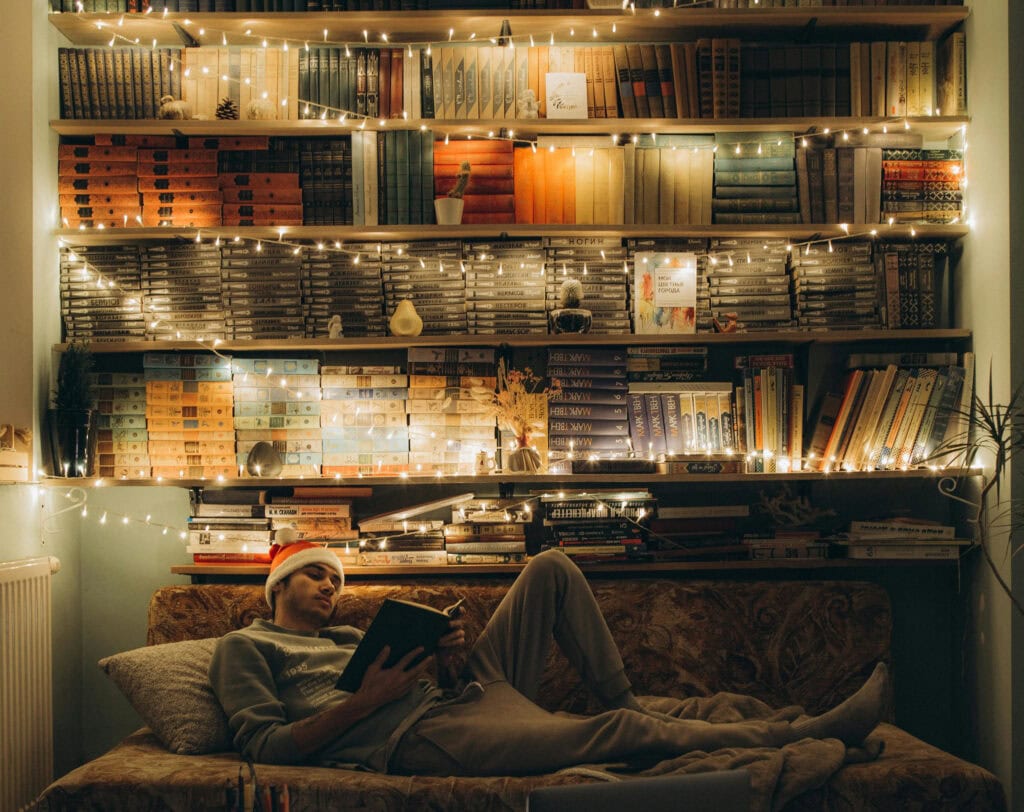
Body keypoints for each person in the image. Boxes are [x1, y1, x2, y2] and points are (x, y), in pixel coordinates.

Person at [209, 540, 888, 776]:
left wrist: (448, 657)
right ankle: (805, 732)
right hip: (412, 735)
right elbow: (265, 749)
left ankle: (625, 699)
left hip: (455, 696)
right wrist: (368, 702)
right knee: (619, 734)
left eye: (335, 579)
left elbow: (426, 682)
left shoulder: (348, 639)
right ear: (278, 587)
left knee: (551, 567)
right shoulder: (245, 647)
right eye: (314, 575)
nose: (329, 586)